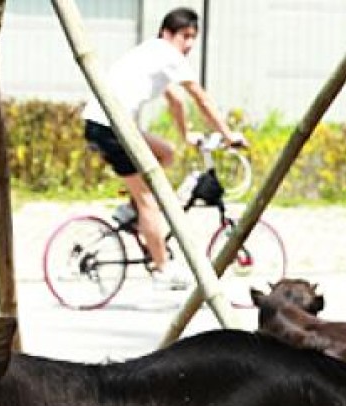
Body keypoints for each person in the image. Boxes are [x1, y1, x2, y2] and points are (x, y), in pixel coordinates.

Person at [81, 7, 247, 290]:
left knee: (166, 152)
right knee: (150, 203)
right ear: (166, 34)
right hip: (110, 128)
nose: (190, 43)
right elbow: (200, 98)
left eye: (194, 37)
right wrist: (228, 134)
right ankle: (162, 269)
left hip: (111, 125)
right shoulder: (169, 55)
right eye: (185, 36)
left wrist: (187, 136)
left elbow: (176, 101)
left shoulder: (154, 53)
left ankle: (130, 212)